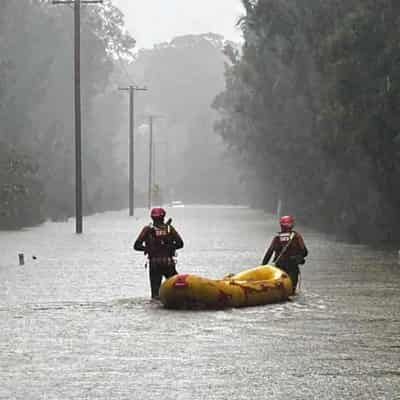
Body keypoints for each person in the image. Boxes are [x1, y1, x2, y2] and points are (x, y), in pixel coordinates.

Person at [134, 207, 184, 299]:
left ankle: (157, 307)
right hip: (168, 263)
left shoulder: (147, 229)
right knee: (178, 288)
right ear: (163, 217)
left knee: (155, 293)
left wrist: (147, 249)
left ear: (152, 218)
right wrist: (169, 247)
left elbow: (136, 246)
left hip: (154, 264)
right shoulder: (169, 229)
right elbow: (180, 244)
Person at [261, 215, 308, 294]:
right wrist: (299, 257)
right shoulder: (296, 236)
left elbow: (269, 253)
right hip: (292, 266)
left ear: (281, 225)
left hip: (279, 267)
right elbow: (305, 251)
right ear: (291, 225)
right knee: (291, 291)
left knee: (279, 290)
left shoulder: (277, 237)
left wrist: (263, 267)